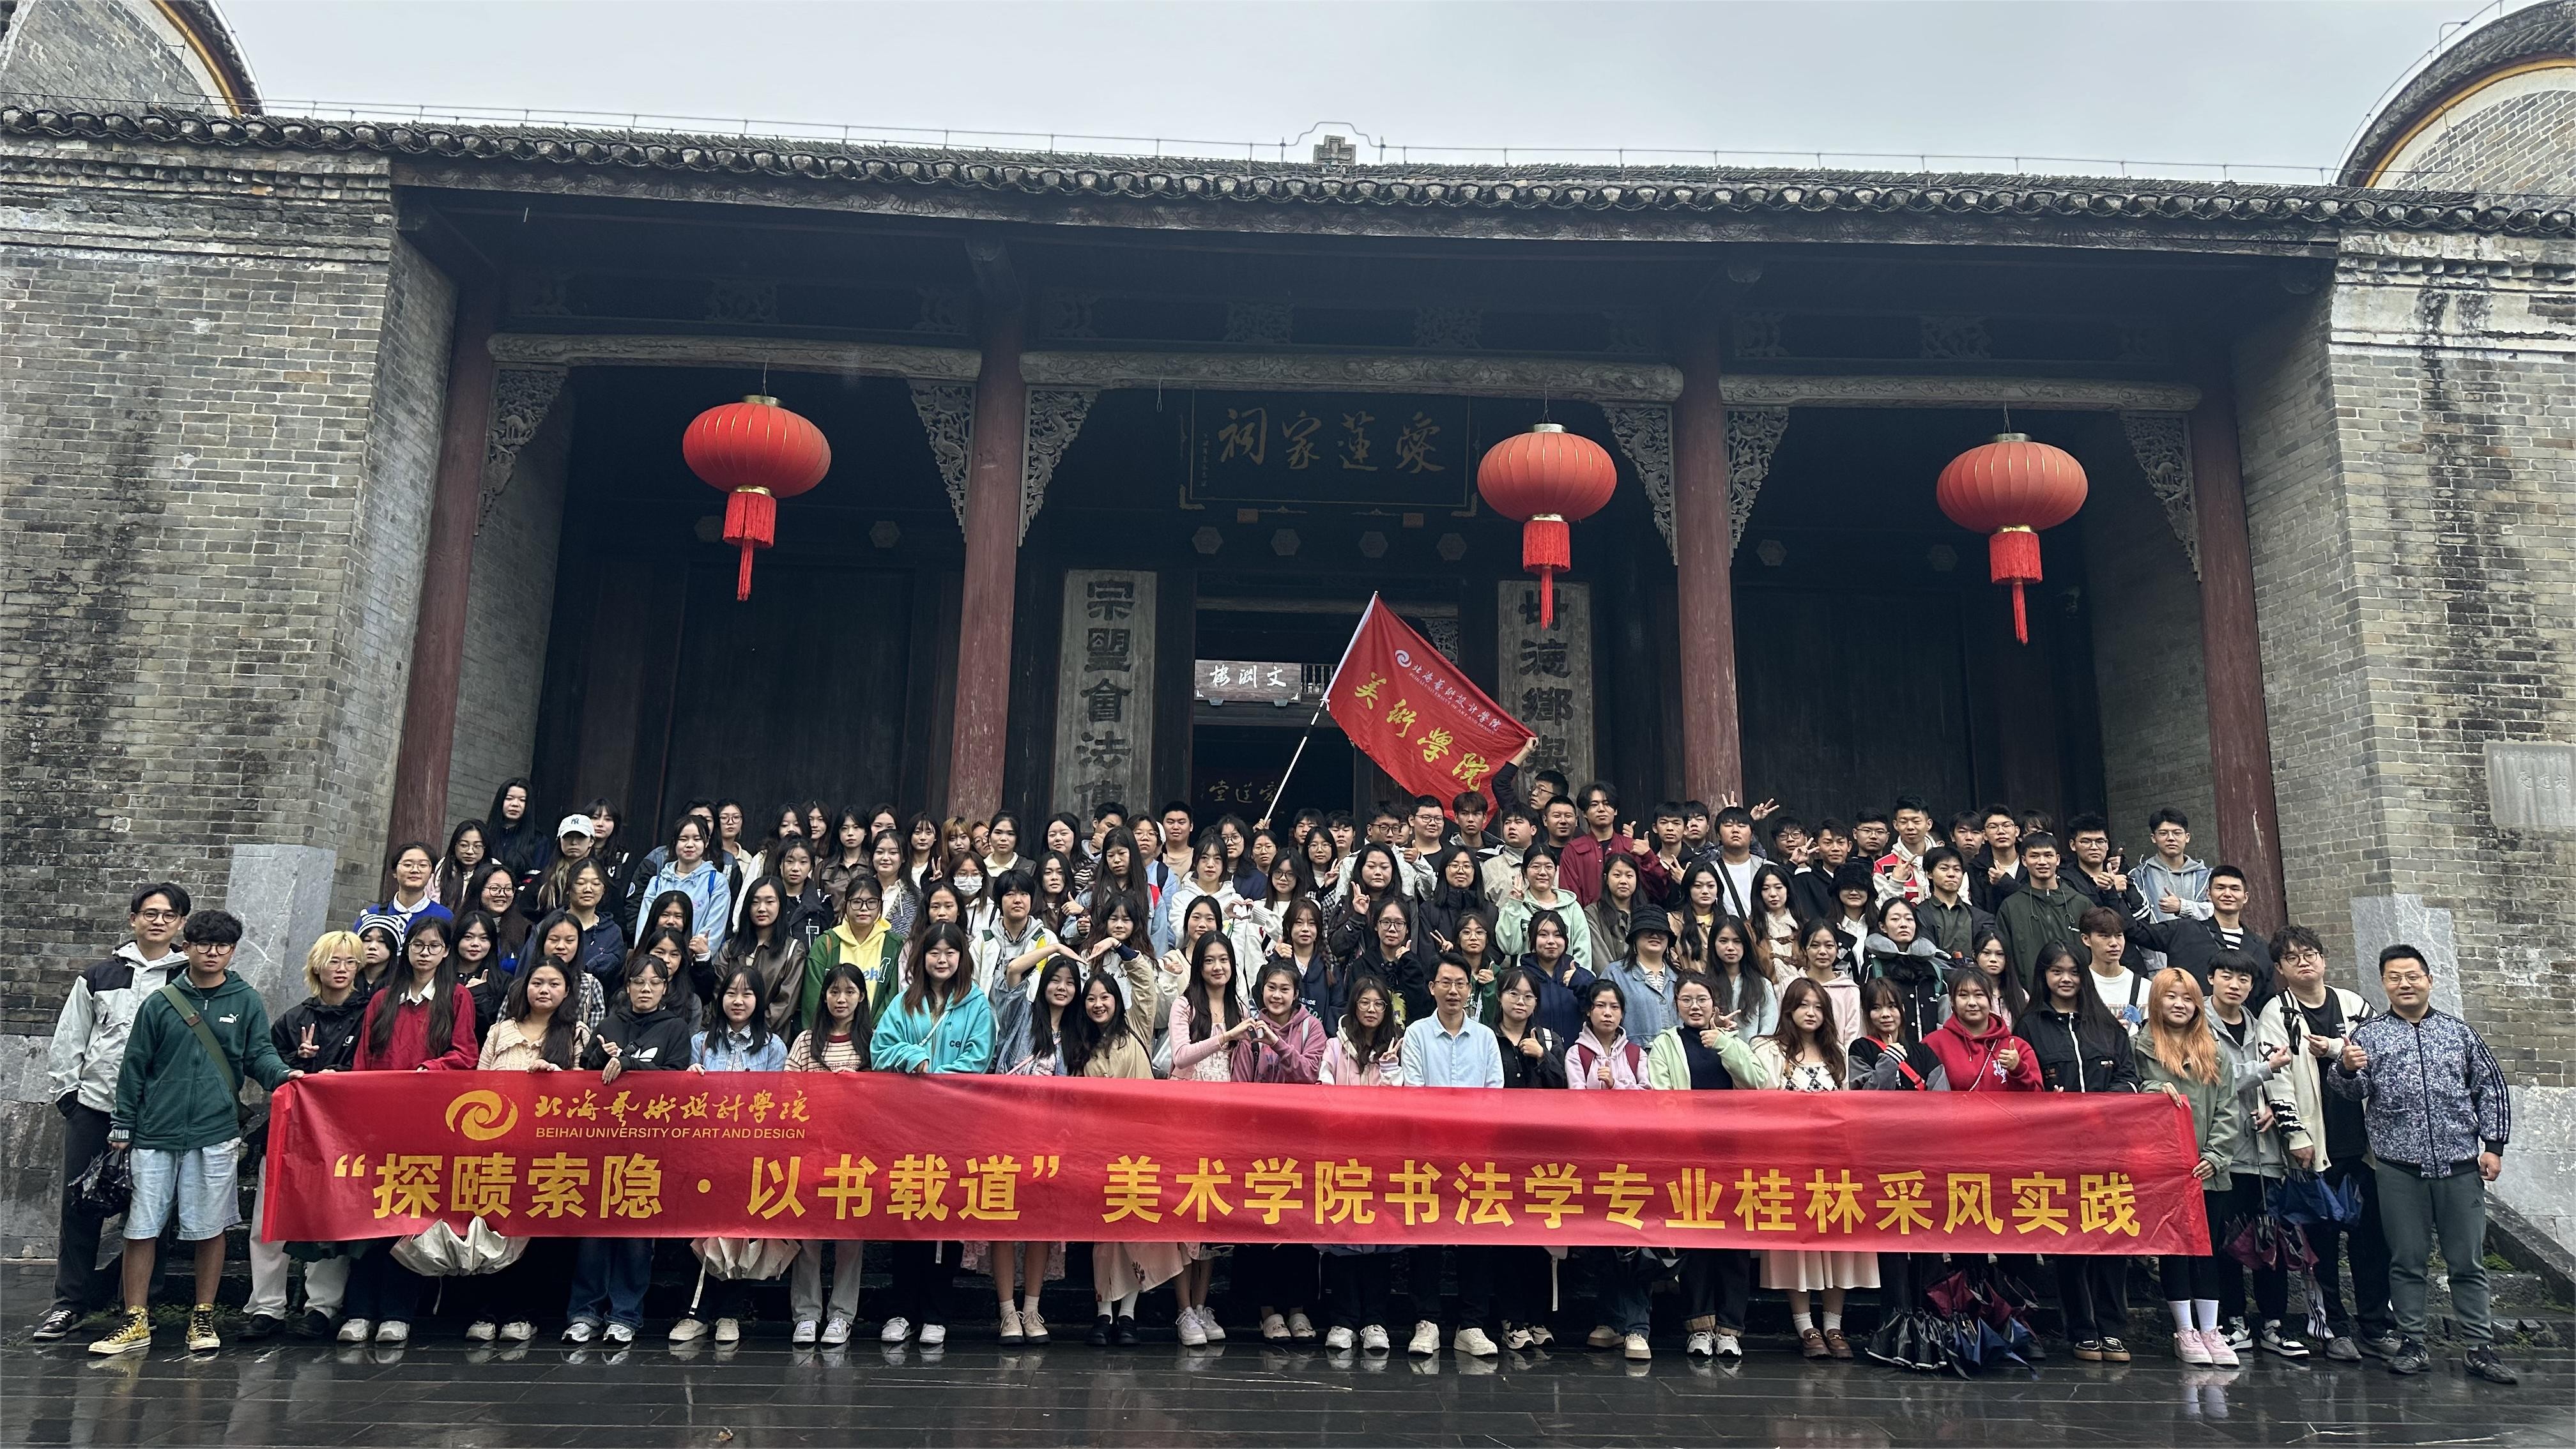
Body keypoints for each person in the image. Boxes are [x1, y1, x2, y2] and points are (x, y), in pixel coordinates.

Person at [84, 910, 302, 1357]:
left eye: (222, 946)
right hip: (154, 1132)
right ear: (187, 947)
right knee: (141, 1227)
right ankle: (135, 1318)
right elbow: (134, 1066)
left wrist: (284, 1075)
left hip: (214, 1130)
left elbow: (259, 1055)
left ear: (233, 951)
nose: (212, 953)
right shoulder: (161, 1003)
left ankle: (203, 1315)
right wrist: (123, 1122)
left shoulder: (245, 1000)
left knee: (210, 1228)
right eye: (203, 944)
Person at [2326, 944, 2517, 1384]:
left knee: (2467, 1261)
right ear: (2384, 984)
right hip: (2398, 1167)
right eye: (2394, 978)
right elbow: (2349, 1091)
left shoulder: (2458, 1033)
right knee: (2406, 1260)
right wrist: (2346, 1068)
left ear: (2429, 980)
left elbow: (2490, 1088)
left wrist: (2494, 1147)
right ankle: (2412, 1341)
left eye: (2412, 976)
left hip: (2460, 1165)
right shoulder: (2370, 1035)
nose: (2405, 984)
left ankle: (2479, 1347)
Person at [33, 882, 190, 1342]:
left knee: (152, 1211)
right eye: (150, 913)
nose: (158, 922)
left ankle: (138, 1305)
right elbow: (71, 1037)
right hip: (96, 1107)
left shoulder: (186, 979)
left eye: (168, 915)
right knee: (79, 1206)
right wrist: (69, 1097)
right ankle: (69, 1302)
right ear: (133, 919)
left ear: (181, 923)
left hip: (157, 1115)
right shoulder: (100, 975)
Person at [2259, 924, 2394, 1363]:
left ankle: (2376, 1325)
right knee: (2319, 1246)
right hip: (2315, 1149)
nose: (2304, 962)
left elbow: (2380, 1055)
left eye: (2310, 954)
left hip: (2365, 1147)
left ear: (2323, 959)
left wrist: (2336, 1049)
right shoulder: (2277, 1013)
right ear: (2280, 969)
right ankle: (2331, 1328)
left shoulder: (2353, 1005)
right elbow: (2276, 1081)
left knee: (2372, 1241)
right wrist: (2295, 1135)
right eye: (2292, 957)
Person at [871, 921, 997, 1347]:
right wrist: (913, 1057)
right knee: (907, 1215)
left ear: (963, 958)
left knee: (946, 1218)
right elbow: (880, 1049)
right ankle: (901, 1311)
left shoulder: (977, 1004)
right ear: (921, 957)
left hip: (955, 1128)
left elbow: (979, 1059)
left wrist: (937, 1079)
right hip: (907, 1128)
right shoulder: (904, 1002)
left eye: (950, 952)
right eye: (934, 952)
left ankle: (936, 1313)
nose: (942, 960)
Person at [562, 952, 693, 1346]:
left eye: (654, 983)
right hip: (604, 1144)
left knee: (638, 1236)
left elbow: (676, 1079)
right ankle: (585, 1313)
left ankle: (625, 1314)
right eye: (638, 982)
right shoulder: (609, 1025)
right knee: (594, 1233)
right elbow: (586, 1079)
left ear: (665, 988)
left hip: (650, 1147)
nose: (645, 990)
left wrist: (631, 1065)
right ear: (628, 986)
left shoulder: (675, 1029)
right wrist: (599, 1057)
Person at [243, 931, 367, 1339]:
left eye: (350, 961)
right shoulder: (294, 1018)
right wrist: (296, 1061)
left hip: (343, 1136)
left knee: (331, 1219)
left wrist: (339, 1076)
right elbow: (263, 1062)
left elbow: (375, 1064)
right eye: (334, 961)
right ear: (317, 965)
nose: (342, 969)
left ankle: (322, 1306)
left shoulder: (370, 1015)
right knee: (269, 1219)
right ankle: (266, 1306)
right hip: (289, 1132)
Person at [463, 954, 590, 1345]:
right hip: (497, 1148)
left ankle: (525, 1313)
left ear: (567, 992)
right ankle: (486, 1311)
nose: (544, 990)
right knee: (492, 1228)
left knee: (535, 1233)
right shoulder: (500, 1031)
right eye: (537, 983)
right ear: (525, 988)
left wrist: (558, 1079)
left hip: (548, 1152)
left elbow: (584, 1094)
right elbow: (478, 1085)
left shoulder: (576, 1034)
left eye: (554, 984)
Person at [2024, 943, 2139, 1363]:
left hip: (2109, 1149)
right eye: (2056, 971)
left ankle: (2113, 1329)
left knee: (2112, 1237)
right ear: (2044, 976)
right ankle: (2082, 1330)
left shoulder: (2106, 1025)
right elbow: (2024, 1088)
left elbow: (2128, 1077)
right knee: (2070, 1241)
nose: (2066, 979)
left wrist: (2102, 1108)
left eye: (2073, 971)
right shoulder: (2030, 1026)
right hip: (2058, 1153)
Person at [1646, 971, 1768, 1360]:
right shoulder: (1665, 1044)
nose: (1694, 1006)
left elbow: (1759, 1083)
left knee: (1733, 1245)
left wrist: (1726, 1045)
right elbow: (1661, 1097)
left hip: (1735, 1157)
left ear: (1715, 1004)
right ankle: (1699, 1327)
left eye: (1702, 999)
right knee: (1695, 1243)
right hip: (1689, 1157)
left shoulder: (1731, 1041)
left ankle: (1731, 1329)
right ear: (1676, 1005)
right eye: (1686, 1000)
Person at [1751, 977, 1874, 1359]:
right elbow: (1759, 1097)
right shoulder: (1770, 1051)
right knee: (1797, 1244)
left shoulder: (1838, 1053)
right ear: (1789, 1009)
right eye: (1804, 1005)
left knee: (1838, 1241)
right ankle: (1805, 1326)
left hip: (1837, 1162)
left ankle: (1834, 1325)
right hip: (1790, 1161)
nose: (1811, 1013)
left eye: (1819, 1007)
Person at [1064, 967, 1181, 1346]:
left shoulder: (1136, 1032)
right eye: (1091, 998)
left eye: (1105, 997)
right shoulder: (1078, 1044)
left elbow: (1145, 985)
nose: (1098, 1004)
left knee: (1134, 1230)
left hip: (1137, 1149)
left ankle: (1127, 1315)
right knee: (1105, 1236)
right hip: (1097, 1151)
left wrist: (1123, 949)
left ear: (1117, 1000)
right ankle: (1104, 1313)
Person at [2133, 967, 2244, 1368]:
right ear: (2156, 1001)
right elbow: (2129, 1093)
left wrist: (2216, 1156)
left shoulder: (2213, 1049)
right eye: (2171, 996)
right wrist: (2150, 1090)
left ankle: (2211, 1330)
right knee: (2174, 1249)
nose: (2180, 1005)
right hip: (2164, 1169)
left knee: (2207, 1248)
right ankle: (2184, 1330)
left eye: (2188, 998)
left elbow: (2229, 1108)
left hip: (2207, 1170)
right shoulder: (2140, 1047)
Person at [1399, 954, 1505, 1359]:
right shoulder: (1416, 1034)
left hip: (1476, 1153)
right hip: (1427, 1153)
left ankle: (1472, 1325)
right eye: (1445, 983)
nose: (1454, 991)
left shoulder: (1485, 1037)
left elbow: (1494, 1093)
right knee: (1426, 1238)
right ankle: (1426, 1321)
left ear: (1470, 989)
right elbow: (1413, 1092)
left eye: (1461, 983)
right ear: (1432, 988)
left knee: (1475, 1239)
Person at [2203, 949, 2305, 1358]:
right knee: (2226, 1241)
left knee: (2270, 1239)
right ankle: (2233, 1321)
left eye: (2243, 979)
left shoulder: (2261, 1024)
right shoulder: (2198, 1025)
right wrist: (2264, 1072)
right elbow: (2212, 1079)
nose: (2235, 985)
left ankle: (2274, 1324)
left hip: (2266, 1153)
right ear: (2211, 978)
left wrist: (2274, 1106)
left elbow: (2285, 1077)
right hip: (2222, 1153)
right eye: (2227, 976)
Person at [1232, 962, 1325, 1341]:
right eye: (1271, 987)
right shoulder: (1248, 1031)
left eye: (1285, 989)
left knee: (1299, 1226)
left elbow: (1310, 1074)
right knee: (1259, 1226)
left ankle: (1298, 1309)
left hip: (1300, 1142)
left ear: (1296, 993)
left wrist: (1277, 1043)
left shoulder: (1311, 1028)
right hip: (1258, 1143)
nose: (1277, 995)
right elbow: (1239, 1088)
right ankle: (1267, 1312)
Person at [785, 962, 871, 1346]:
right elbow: (787, 1093)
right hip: (811, 1151)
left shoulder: (871, 1041)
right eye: (834, 991)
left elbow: (884, 1099)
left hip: (856, 1156)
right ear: (823, 997)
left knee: (850, 1237)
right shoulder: (806, 1042)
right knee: (809, 1236)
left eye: (850, 992)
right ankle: (806, 1315)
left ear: (862, 997)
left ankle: (841, 1315)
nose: (841, 999)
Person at [2128, 864, 2274, 992]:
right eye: (2220, 888)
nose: (2227, 894)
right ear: (2209, 894)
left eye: (2235, 889)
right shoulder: (2184, 931)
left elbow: (2266, 997)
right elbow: (2135, 931)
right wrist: (2119, 889)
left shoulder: (2260, 947)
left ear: (2245, 897)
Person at [1993, 832, 2086, 995]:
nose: (2042, 862)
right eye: (2034, 856)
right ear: (2024, 861)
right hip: (2029, 998)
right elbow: (2004, 957)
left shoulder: (2081, 904)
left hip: (2078, 996)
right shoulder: (2011, 907)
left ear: (2057, 859)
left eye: (2048, 855)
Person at [634, 813, 732, 963]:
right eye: (683, 839)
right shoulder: (657, 882)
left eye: (697, 839)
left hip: (693, 965)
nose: (690, 845)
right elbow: (644, 928)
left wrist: (691, 960)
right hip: (655, 964)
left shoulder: (716, 882)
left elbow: (713, 932)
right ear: (675, 842)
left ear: (707, 842)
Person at [804, 877, 901, 1027]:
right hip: (831, 1035)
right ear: (846, 906)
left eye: (872, 902)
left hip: (877, 1035)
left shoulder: (894, 945)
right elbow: (812, 999)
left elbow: (894, 998)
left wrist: (875, 1033)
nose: (864, 908)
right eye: (856, 902)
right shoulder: (826, 943)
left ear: (880, 906)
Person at [1922, 970, 2041, 1092]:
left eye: (1979, 995)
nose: (1972, 1003)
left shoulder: (2018, 1048)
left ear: (1990, 999)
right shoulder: (1933, 1044)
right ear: (1952, 1001)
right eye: (1963, 995)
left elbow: (2037, 1097)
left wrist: (2018, 1070)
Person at [1861, 898, 1946, 1043]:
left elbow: (1945, 1016)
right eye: (1895, 919)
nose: (1903, 924)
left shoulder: (1933, 968)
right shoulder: (1874, 966)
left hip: (1930, 1051)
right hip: (1890, 1050)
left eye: (1909, 919)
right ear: (1883, 927)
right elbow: (1866, 1013)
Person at [1600, 905, 1683, 1044]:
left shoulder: (1680, 978)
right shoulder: (1614, 975)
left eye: (1661, 931)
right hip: (1632, 1056)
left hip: (1678, 1055)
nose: (1655, 936)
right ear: (1635, 936)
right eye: (1648, 930)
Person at [2133, 808, 2213, 927]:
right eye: (2163, 833)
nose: (2171, 838)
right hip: (2155, 939)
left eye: (2177, 833)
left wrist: (2182, 907)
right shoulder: (2139, 876)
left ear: (2187, 837)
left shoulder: (2206, 876)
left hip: (2198, 938)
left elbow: (2216, 911)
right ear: (2153, 838)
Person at [1788, 918, 1862, 1045]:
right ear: (1804, 950)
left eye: (1829, 946)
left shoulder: (1850, 990)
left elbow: (1854, 1038)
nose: (1822, 952)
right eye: (1815, 945)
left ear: (1837, 949)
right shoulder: (1790, 985)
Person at [1912, 846, 1991, 962]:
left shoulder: (1981, 917)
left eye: (1957, 870)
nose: (1951, 874)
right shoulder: (1919, 914)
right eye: (1944, 869)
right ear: (1929, 874)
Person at [2077, 906, 2150, 1030]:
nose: (2114, 943)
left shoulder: (2145, 988)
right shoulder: (2078, 985)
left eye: (2118, 935)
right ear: (2086, 939)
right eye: (2105, 936)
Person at [358, 841, 452, 934]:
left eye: (423, 865)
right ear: (394, 872)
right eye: (408, 865)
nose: (415, 870)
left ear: (432, 873)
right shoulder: (373, 915)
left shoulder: (444, 916)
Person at [433, 820, 488, 908]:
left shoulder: (494, 868)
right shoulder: (444, 866)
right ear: (455, 845)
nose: (470, 852)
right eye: (464, 845)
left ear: (485, 847)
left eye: (477, 846)